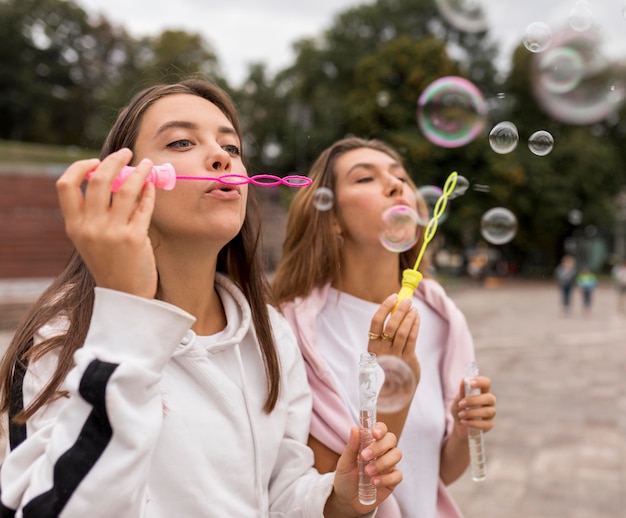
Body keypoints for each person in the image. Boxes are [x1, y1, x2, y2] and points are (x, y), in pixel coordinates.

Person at [0, 80, 403, 517]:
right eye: (181, 141)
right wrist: (126, 323)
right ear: (126, 180)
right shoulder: (61, 340)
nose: (222, 156)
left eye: (231, 145)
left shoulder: (271, 334)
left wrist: (334, 501)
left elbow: (278, 491)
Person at [272, 137, 496, 518]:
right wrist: (393, 386)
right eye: (365, 179)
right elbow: (325, 495)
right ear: (331, 217)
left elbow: (437, 472)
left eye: (401, 177)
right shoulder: (292, 330)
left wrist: (463, 431)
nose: (396, 186)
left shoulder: (443, 319)